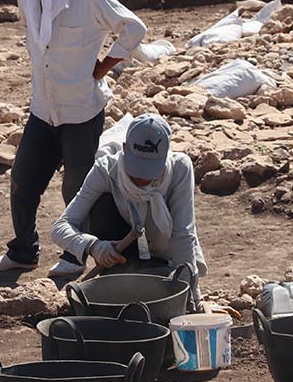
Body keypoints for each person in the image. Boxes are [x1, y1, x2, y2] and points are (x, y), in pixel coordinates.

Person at [0, 0, 148, 277]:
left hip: (81, 112)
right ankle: (24, 250)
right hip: (43, 110)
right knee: (23, 180)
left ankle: (75, 256)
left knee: (77, 188)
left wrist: (102, 66)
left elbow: (133, 27)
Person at [51, 114, 206, 306]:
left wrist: (190, 295)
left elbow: (183, 234)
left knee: (171, 294)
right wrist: (94, 246)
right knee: (101, 206)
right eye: (137, 168)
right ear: (125, 148)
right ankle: (117, 279)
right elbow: (60, 227)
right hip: (123, 257)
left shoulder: (180, 168)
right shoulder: (106, 169)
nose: (142, 179)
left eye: (150, 170)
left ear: (165, 154)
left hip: (167, 256)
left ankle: (156, 277)